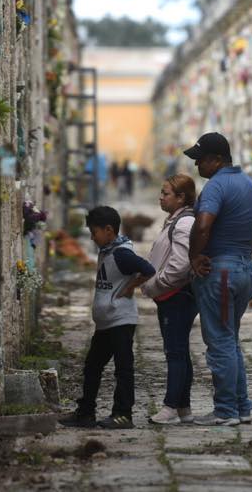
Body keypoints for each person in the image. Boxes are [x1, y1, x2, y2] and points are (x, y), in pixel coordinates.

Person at [183, 132, 252, 426]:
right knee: (230, 339)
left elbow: (203, 225)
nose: (197, 167)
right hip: (244, 269)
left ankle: (226, 410)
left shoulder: (217, 186)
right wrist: (244, 251)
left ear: (217, 160)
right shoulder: (248, 182)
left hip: (219, 273)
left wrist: (195, 256)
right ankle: (241, 406)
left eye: (200, 160)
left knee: (219, 342)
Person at [59, 206, 156, 430]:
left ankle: (123, 414)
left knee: (123, 368)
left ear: (109, 230)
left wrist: (131, 287)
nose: (92, 237)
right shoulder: (107, 250)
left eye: (94, 233)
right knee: (92, 366)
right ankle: (85, 413)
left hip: (121, 320)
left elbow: (148, 269)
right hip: (105, 322)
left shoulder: (122, 253)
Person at [140, 174, 199, 424]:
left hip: (176, 296)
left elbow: (179, 265)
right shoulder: (175, 220)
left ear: (181, 197)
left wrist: (155, 285)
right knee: (179, 351)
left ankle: (170, 407)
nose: (160, 197)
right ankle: (183, 407)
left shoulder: (184, 224)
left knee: (175, 352)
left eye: (166, 193)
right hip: (172, 296)